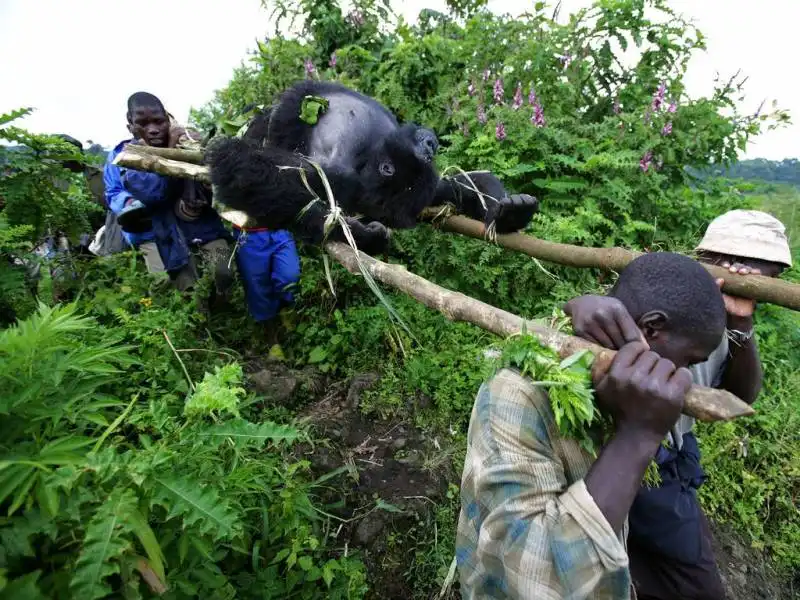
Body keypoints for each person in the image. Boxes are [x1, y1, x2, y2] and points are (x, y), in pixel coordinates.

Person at [456, 252, 728, 599]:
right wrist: (637, 436)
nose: (686, 377)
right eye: (689, 359)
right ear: (650, 329)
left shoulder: (617, 387)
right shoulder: (518, 393)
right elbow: (538, 580)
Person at [563, 209, 792, 600]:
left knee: (643, 553)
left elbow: (742, 395)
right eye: (743, 268)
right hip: (645, 447)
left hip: (673, 448)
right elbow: (605, 318)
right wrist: (576, 304)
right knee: (691, 576)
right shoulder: (674, 301)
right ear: (716, 260)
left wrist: (741, 326)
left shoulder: (721, 322)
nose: (753, 282)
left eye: (766, 275)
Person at [103, 92, 233, 296]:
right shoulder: (129, 156)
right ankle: (199, 321)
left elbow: (218, 183)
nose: (153, 130)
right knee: (187, 290)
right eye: (143, 124)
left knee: (224, 272)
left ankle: (225, 312)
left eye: (159, 122)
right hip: (164, 234)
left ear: (168, 119)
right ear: (131, 126)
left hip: (205, 226)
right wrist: (171, 148)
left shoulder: (189, 142)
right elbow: (152, 193)